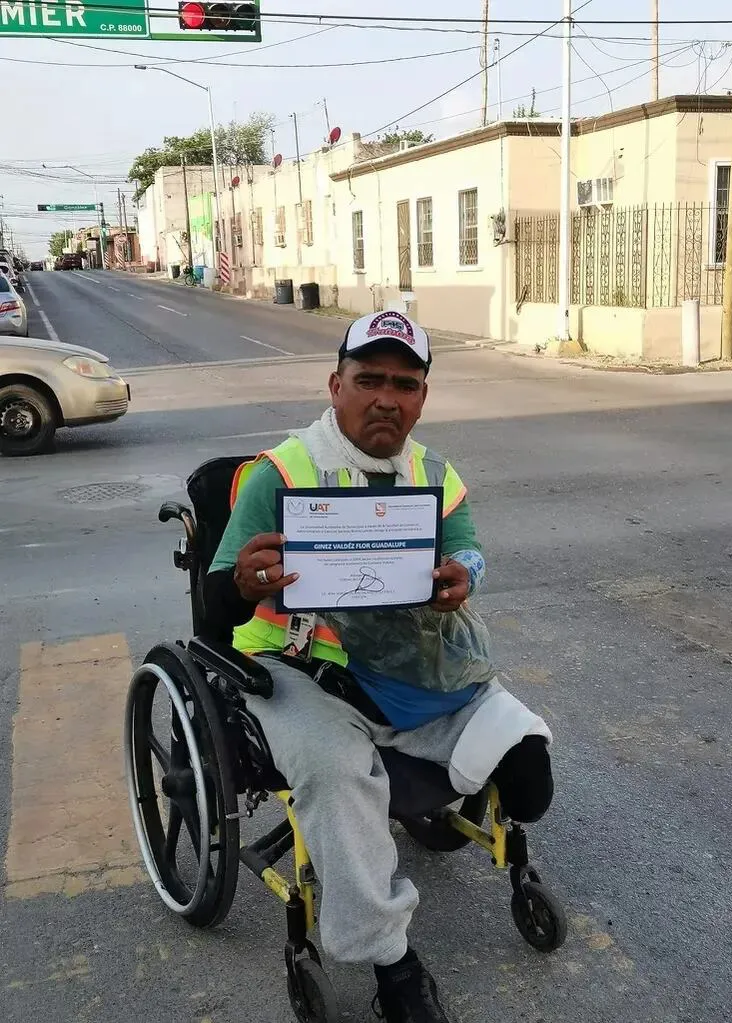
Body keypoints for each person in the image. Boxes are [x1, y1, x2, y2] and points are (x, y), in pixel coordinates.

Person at [205, 311, 554, 1023]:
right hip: (303, 670)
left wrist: (465, 572)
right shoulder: (280, 473)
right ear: (336, 385)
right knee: (336, 774)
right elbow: (215, 605)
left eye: (404, 383)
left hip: (409, 665)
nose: (385, 397)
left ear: (422, 396)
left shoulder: (431, 472)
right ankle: (392, 961)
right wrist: (241, 582)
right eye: (368, 380)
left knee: (528, 771)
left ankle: (418, 781)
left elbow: (469, 547)